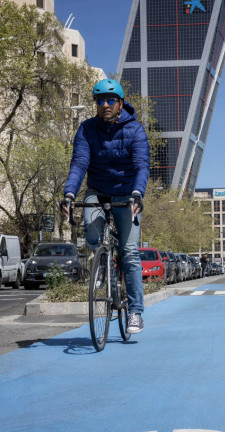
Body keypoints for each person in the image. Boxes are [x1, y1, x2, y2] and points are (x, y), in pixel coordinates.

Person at [60, 78, 150, 334]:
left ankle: (135, 312)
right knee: (92, 233)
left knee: (130, 251)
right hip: (98, 191)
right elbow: (79, 164)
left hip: (126, 194)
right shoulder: (87, 129)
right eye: (100, 100)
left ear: (120, 103)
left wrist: (137, 193)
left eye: (111, 100)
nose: (105, 105)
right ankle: (102, 263)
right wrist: (69, 193)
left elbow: (142, 166)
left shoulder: (135, 130)